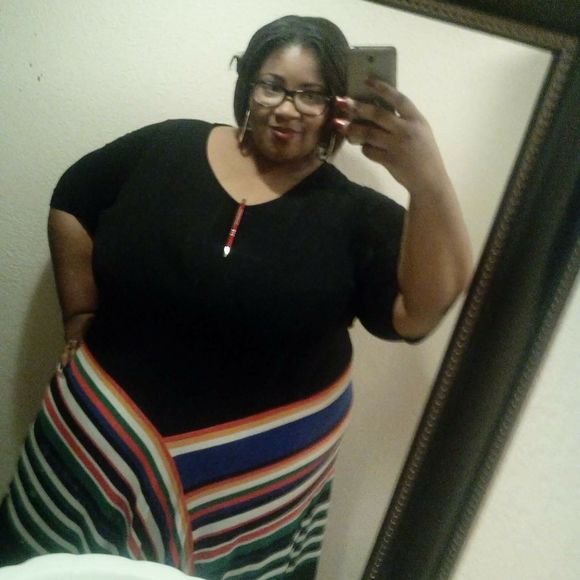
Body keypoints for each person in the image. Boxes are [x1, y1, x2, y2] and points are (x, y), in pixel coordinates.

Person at [0, 14, 471, 580]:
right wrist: (79, 312)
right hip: (94, 446)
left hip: (247, 494)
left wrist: (426, 179)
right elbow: (73, 197)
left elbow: (418, 313)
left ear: (336, 106)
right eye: (272, 85)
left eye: (311, 94)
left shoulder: (358, 215)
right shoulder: (167, 147)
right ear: (248, 83)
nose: (288, 108)